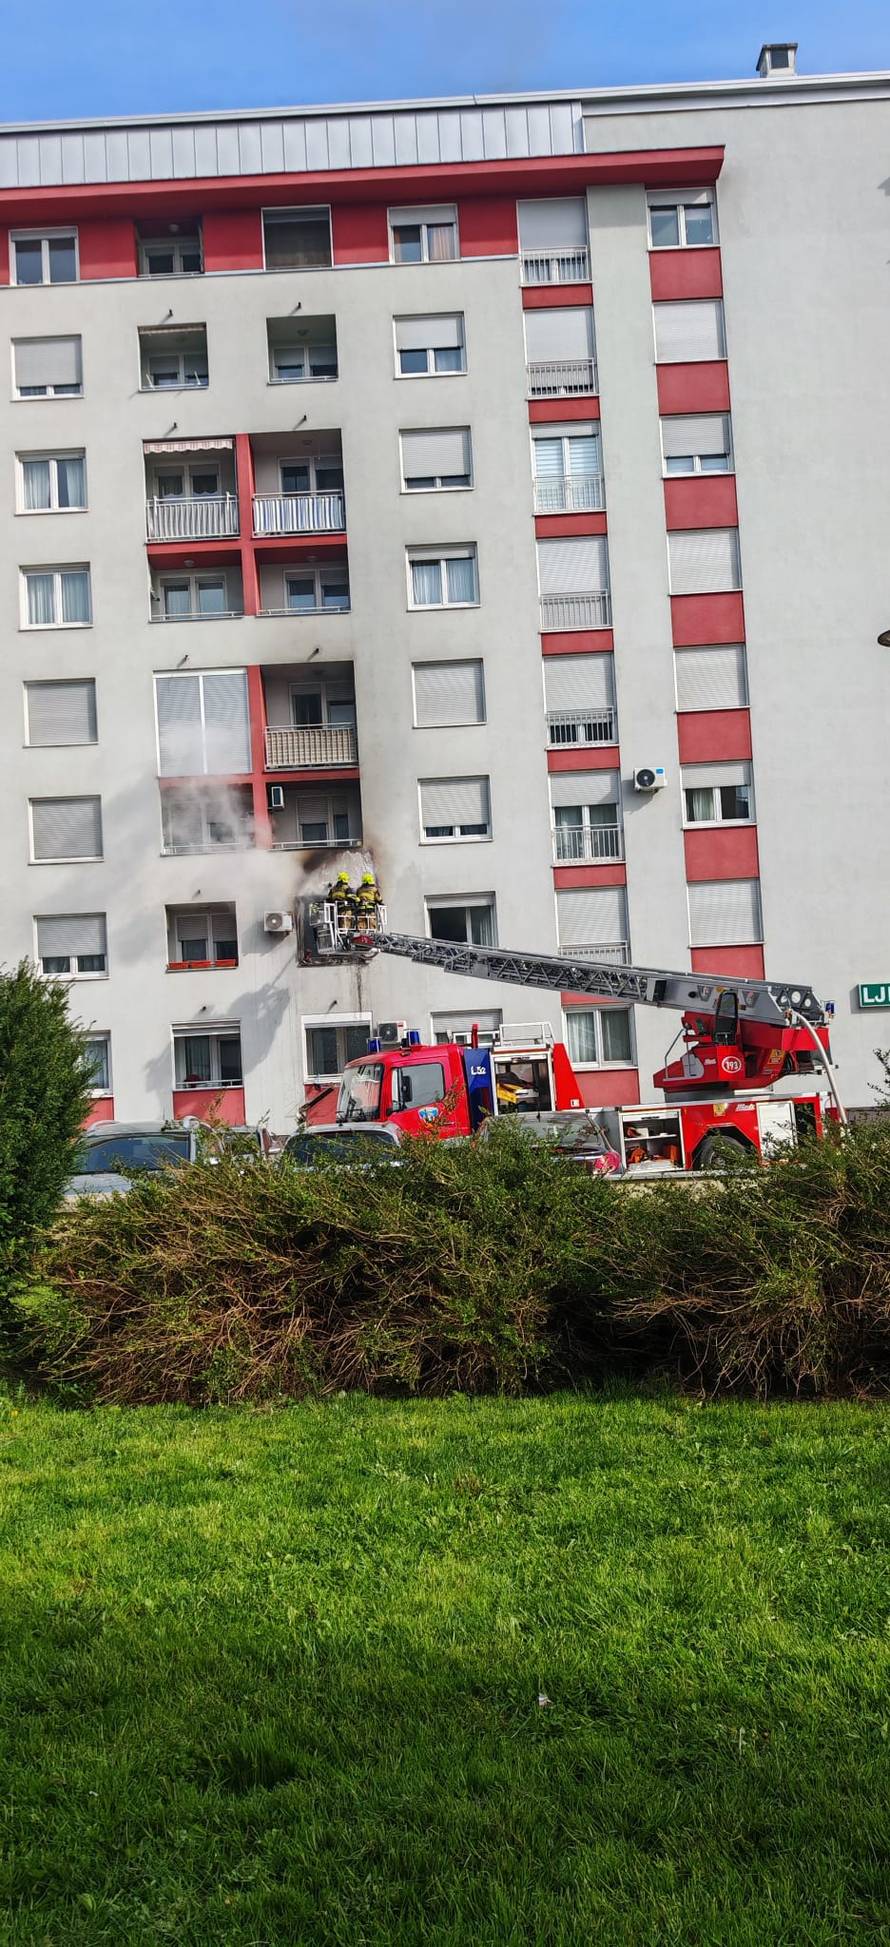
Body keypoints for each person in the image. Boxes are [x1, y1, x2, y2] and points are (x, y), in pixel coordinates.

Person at [328, 871, 353, 936]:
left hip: (337, 911)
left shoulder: (333, 888)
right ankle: (347, 936)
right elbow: (351, 897)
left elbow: (329, 899)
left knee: (340, 925)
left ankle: (342, 935)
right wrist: (357, 899)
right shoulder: (346, 888)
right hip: (345, 910)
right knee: (346, 924)